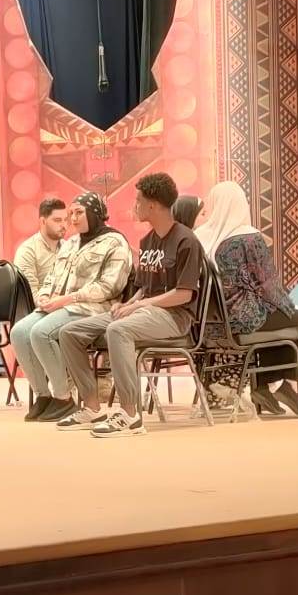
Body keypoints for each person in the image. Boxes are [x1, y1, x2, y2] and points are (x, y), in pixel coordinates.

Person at [58, 173, 204, 438]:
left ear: (153, 205)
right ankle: (92, 408)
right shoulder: (148, 241)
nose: (134, 206)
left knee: (118, 330)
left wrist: (139, 305)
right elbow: (144, 288)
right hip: (146, 311)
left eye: (138, 201)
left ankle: (130, 414)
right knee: (70, 333)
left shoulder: (186, 241)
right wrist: (129, 304)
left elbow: (184, 294)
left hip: (175, 317)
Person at [194, 181, 298, 416]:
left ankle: (263, 386)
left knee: (280, 318)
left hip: (215, 325)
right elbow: (267, 286)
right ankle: (288, 386)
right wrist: (289, 306)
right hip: (247, 320)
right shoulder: (249, 238)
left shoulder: (203, 238)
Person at [10, 193, 132, 425]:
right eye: (71, 214)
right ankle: (43, 395)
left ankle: (63, 398)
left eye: (78, 213)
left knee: (41, 332)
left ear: (94, 213)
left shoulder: (115, 242)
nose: (72, 219)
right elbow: (52, 276)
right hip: (61, 304)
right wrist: (45, 296)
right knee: (19, 332)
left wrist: (67, 299)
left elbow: (109, 287)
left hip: (92, 308)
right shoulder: (72, 243)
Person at [12, 198, 68, 302]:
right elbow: (30, 298)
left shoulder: (69, 247)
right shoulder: (27, 251)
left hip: (69, 305)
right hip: (44, 307)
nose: (64, 225)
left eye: (65, 220)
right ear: (43, 221)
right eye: (58, 220)